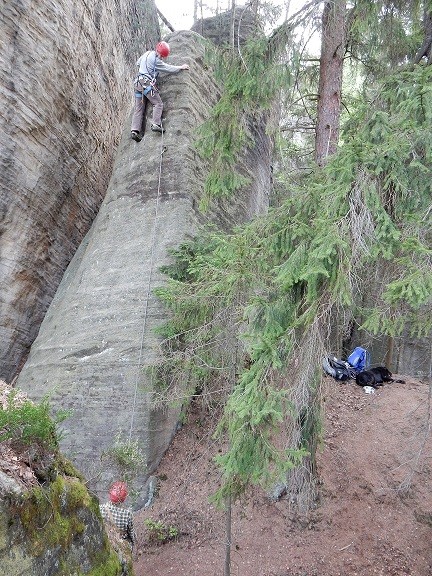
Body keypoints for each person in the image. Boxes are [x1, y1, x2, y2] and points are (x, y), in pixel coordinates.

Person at [131, 40, 190, 141]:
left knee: (139, 108)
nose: (161, 57)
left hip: (138, 84)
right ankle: (156, 124)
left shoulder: (147, 53)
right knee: (158, 103)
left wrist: (147, 69)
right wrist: (181, 67)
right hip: (146, 84)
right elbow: (168, 68)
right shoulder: (156, 61)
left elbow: (138, 63)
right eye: (162, 55)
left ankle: (134, 131)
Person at [99, 481, 136, 548]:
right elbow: (131, 533)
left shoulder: (100, 508)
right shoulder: (127, 514)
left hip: (105, 542)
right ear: (123, 498)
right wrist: (133, 543)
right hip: (121, 544)